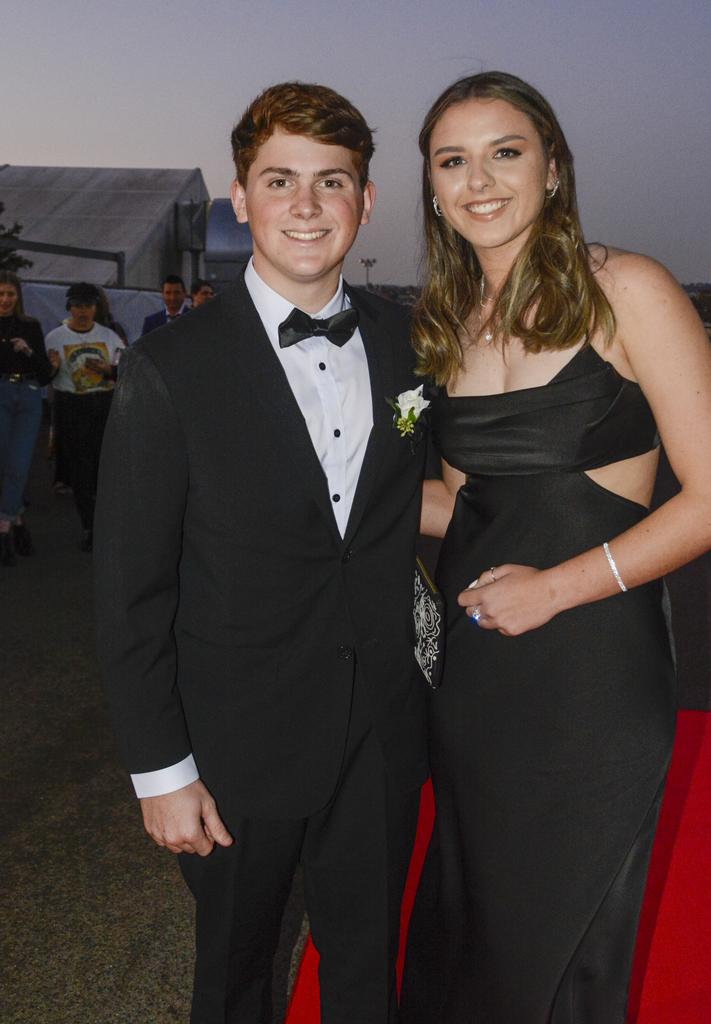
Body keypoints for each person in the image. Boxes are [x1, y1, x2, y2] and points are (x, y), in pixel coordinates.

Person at [400, 72, 711, 1024]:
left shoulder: (628, 288)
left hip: (590, 665)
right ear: (431, 185)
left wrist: (555, 588)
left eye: (505, 152)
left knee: (560, 944)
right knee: (472, 925)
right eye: (453, 160)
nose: (480, 180)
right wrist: (335, 499)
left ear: (553, 168)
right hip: (479, 670)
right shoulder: (449, 323)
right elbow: (466, 506)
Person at [94, 82, 428, 1024]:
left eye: (334, 181)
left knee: (368, 969)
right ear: (241, 199)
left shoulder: (413, 347)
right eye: (280, 180)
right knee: (237, 977)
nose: (308, 206)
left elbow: (431, 502)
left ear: (366, 201)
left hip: (379, 733)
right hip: (234, 747)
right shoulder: (172, 366)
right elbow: (130, 591)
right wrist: (162, 772)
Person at [46, 282, 123, 551]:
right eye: (78, 305)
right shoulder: (55, 337)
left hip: (103, 405)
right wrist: (53, 368)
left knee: (107, 469)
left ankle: (110, 525)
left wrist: (108, 370)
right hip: (71, 406)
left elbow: (125, 370)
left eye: (88, 305)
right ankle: (91, 527)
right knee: (81, 471)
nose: (83, 311)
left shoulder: (110, 336)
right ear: (69, 307)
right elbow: (45, 377)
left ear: (95, 307)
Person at [0, 271, 52, 565]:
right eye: (0, 294)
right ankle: (18, 522)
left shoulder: (30, 326)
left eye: (10, 294)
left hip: (30, 394)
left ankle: (4, 526)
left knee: (19, 463)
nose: (5, 300)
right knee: (6, 463)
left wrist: (29, 351)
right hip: (1, 394)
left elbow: (46, 374)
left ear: (18, 295)